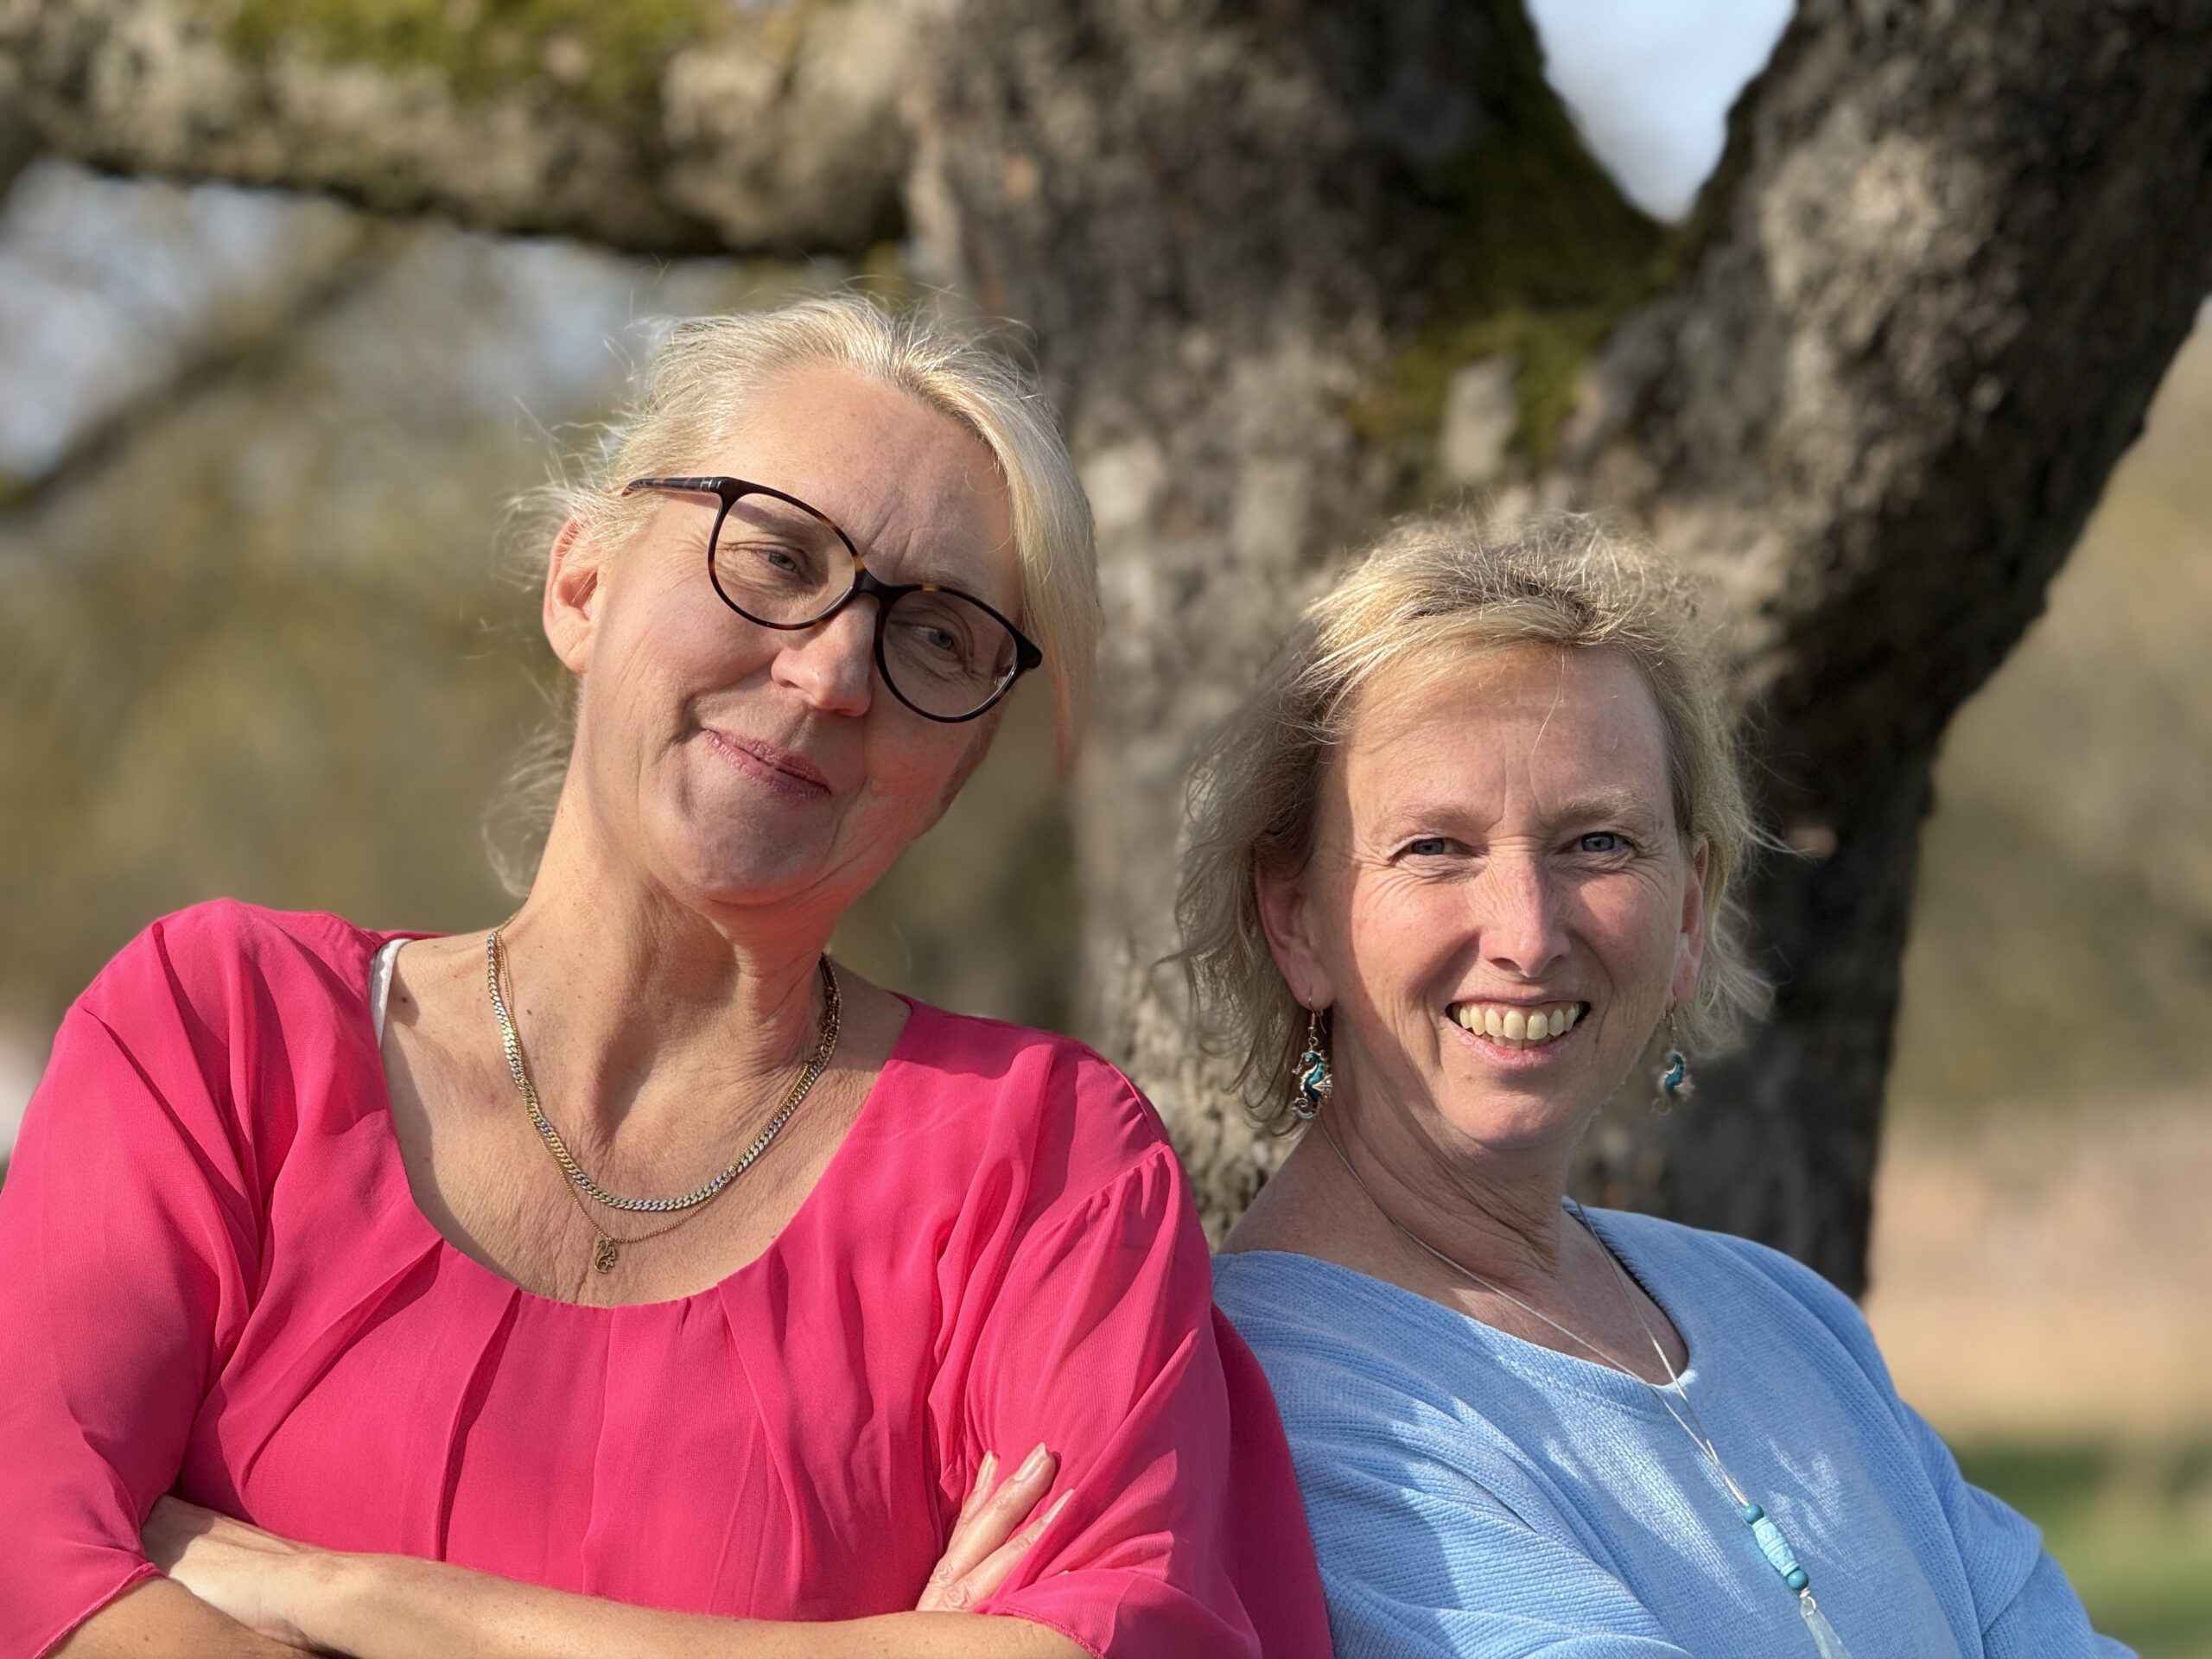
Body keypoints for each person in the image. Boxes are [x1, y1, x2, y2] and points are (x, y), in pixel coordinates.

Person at [0, 294, 1329, 1659]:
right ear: (581, 584)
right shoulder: (223, 1035)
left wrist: (355, 1598)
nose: (832, 672)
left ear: (957, 773)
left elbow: (1111, 1643)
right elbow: (30, 1561)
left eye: (936, 636)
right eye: (776, 553)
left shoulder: (1043, 1166)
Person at [1191, 512, 2129, 1657]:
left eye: (1597, 843)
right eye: (1436, 847)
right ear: (1296, 921)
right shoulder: (1277, 1401)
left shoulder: (1787, 1318)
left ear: (1688, 915)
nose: (1526, 934)